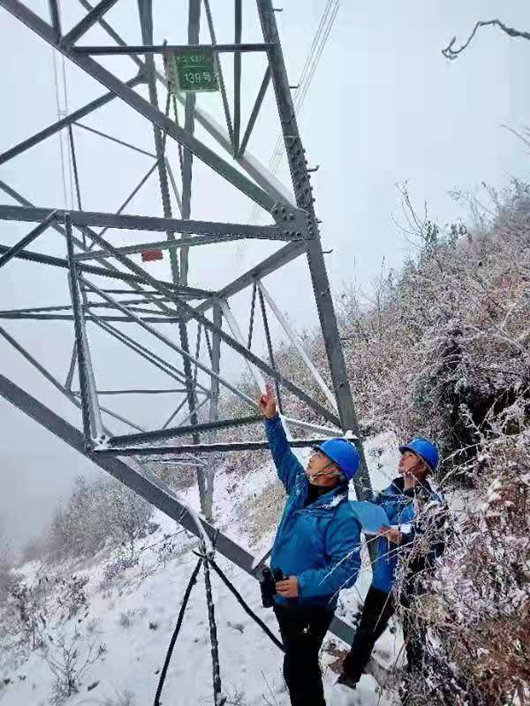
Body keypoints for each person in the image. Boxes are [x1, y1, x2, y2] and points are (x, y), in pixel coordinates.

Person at [259, 383, 362, 706]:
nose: (312, 458)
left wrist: (302, 584)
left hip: (309, 607)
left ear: (333, 472)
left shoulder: (343, 516)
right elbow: (282, 457)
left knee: (302, 674)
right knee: (295, 669)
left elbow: (348, 570)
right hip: (284, 601)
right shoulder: (300, 486)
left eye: (319, 455)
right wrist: (272, 421)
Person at [338, 437, 445, 689]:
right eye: (404, 453)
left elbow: (436, 543)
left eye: (409, 455)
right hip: (384, 581)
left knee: (415, 641)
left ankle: (418, 690)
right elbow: (372, 513)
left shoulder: (432, 503)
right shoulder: (390, 492)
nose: (403, 457)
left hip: (412, 584)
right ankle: (348, 679)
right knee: (364, 635)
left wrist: (404, 536)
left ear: (422, 465)